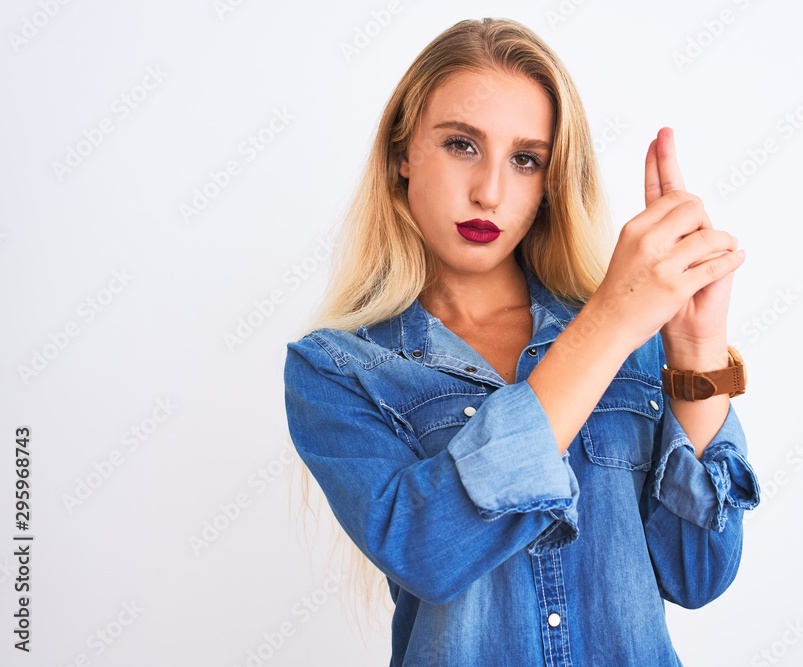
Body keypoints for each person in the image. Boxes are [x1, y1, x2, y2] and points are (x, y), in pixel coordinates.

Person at [283, 17, 760, 666]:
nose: (489, 192)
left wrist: (696, 350)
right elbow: (428, 551)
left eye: (525, 159)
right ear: (402, 153)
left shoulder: (634, 340)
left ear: (549, 182)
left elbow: (696, 573)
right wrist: (611, 320)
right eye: (461, 145)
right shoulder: (339, 368)